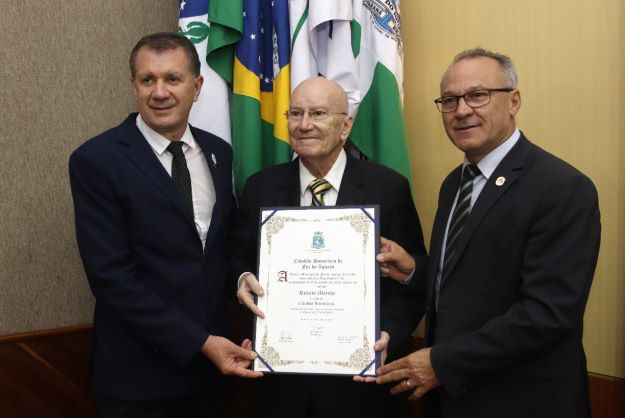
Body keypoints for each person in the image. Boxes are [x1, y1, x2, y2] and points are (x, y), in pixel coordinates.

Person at [375, 48, 601, 418]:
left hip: (523, 401)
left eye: (478, 95)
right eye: (449, 100)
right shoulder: (455, 183)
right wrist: (416, 270)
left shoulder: (562, 187)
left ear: (513, 101)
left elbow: (548, 313)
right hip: (452, 399)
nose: (462, 110)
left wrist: (442, 363)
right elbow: (474, 276)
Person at [69, 32, 261, 418]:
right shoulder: (96, 160)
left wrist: (240, 278)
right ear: (133, 85)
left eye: (172, 79)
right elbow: (111, 279)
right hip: (139, 381)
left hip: (212, 378)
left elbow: (215, 250)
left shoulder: (219, 153)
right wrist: (201, 342)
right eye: (147, 79)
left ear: (197, 86)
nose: (160, 92)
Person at [229, 76, 427, 418]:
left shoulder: (388, 188)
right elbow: (237, 262)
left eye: (318, 113)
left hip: (360, 391)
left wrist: (388, 333)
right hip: (281, 387)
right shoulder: (260, 188)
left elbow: (413, 278)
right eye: (295, 114)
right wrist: (246, 296)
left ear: (345, 125)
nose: (304, 125)